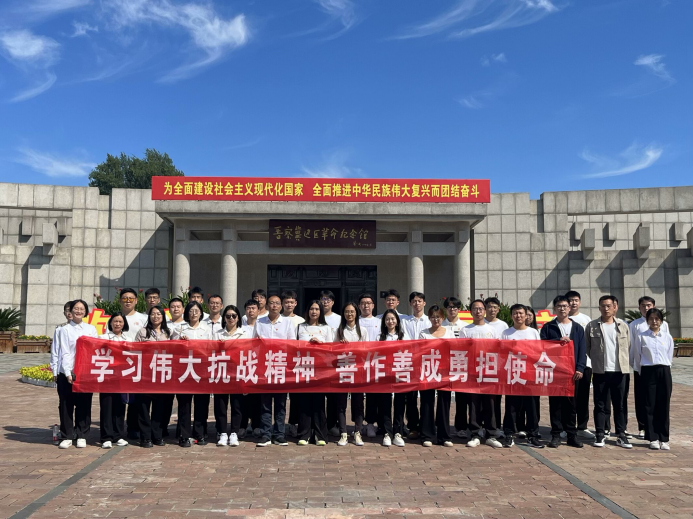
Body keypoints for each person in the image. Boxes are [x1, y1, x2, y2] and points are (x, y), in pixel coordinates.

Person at [585, 295, 632, 449]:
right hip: (600, 371)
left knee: (620, 405)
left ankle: (621, 434)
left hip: (620, 371)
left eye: (609, 306)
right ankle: (600, 433)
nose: (606, 309)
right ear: (599, 307)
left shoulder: (623, 326)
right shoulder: (592, 326)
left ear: (615, 307)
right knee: (600, 404)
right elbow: (587, 348)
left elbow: (628, 346)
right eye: (603, 306)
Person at [539, 296, 586, 449]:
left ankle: (572, 434)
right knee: (556, 404)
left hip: (572, 372)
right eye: (559, 306)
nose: (562, 308)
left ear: (569, 308)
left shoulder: (577, 328)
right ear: (554, 308)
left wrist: (580, 368)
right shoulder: (548, 327)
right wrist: (557, 342)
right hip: (555, 372)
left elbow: (582, 350)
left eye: (565, 306)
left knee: (571, 405)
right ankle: (556, 435)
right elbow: (542, 347)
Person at [253, 294, 297, 447]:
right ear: (267, 305)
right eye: (271, 303)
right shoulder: (259, 322)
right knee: (265, 404)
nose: (274, 306)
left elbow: (292, 344)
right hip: (264, 368)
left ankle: (279, 435)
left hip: (281, 367)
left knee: (280, 404)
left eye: (277, 303)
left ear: (281, 306)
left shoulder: (287, 323)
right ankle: (265, 435)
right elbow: (254, 344)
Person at [55, 299, 98, 449]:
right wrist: (68, 372)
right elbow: (65, 352)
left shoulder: (91, 329)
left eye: (82, 309)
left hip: (85, 373)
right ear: (71, 311)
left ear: (85, 312)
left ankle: (82, 435)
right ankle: (66, 435)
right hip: (67, 372)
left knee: (84, 404)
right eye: (76, 308)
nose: (79, 311)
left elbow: (94, 350)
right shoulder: (64, 330)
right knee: (66, 404)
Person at [460, 299, 502, 448]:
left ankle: (491, 434)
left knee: (490, 403)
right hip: (473, 372)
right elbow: (462, 351)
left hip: (489, 371)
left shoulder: (493, 329)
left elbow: (498, 349)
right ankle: (475, 434)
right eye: (475, 309)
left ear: (484, 311)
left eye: (480, 309)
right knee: (474, 403)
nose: (478, 311)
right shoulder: (465, 330)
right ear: (470, 312)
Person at [500, 304, 543, 448]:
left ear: (526, 315)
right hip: (513, 375)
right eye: (515, 313)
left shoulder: (533, 332)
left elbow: (539, 352)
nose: (518, 316)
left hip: (529, 375)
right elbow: (501, 353)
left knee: (531, 407)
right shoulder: (506, 333)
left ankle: (532, 436)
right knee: (511, 407)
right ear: (511, 316)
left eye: (520, 313)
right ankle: (508, 434)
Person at [632, 308, 674, 451]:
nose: (654, 321)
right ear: (647, 320)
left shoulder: (667, 337)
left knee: (664, 405)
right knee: (649, 405)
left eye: (657, 319)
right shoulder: (641, 336)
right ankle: (653, 437)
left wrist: (664, 368)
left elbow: (669, 356)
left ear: (661, 321)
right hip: (648, 371)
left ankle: (664, 438)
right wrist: (642, 372)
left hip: (664, 371)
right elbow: (637, 356)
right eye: (651, 318)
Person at [172, 301, 212, 447]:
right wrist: (180, 341)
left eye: (197, 311)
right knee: (184, 404)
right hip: (185, 370)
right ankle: (184, 435)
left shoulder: (207, 329)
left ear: (201, 313)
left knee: (202, 403)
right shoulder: (179, 328)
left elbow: (211, 348)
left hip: (202, 370)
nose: (194, 313)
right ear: (186, 313)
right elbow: (172, 348)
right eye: (191, 311)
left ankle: (199, 433)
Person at [295, 301, 334, 446]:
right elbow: (294, 346)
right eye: (311, 308)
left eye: (317, 309)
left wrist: (320, 344)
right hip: (304, 368)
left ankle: (320, 435)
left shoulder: (326, 328)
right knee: (304, 402)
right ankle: (304, 434)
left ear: (321, 312)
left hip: (320, 369)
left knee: (319, 402)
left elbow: (331, 349)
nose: (314, 311)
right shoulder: (300, 327)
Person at [418, 305, 455, 448]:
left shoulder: (449, 332)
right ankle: (427, 435)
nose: (435, 319)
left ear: (443, 318)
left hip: (445, 372)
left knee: (444, 404)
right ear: (429, 318)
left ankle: (444, 436)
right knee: (427, 403)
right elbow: (420, 351)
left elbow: (454, 350)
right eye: (433, 317)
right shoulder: (423, 333)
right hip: (428, 371)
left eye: (438, 317)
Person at [134, 305, 171, 448]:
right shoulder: (143, 332)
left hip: (161, 375)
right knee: (143, 408)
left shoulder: (168, 332)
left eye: (158, 314)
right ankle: (145, 437)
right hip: (145, 375)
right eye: (153, 314)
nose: (156, 316)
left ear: (163, 316)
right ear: (149, 316)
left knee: (159, 408)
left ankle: (157, 436)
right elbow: (134, 351)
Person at [214, 304, 249, 447]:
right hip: (221, 373)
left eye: (234, 316)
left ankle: (234, 432)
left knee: (237, 405)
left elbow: (248, 353)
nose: (231, 318)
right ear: (224, 318)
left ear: (238, 318)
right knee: (220, 405)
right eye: (228, 316)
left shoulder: (244, 334)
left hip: (238, 374)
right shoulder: (217, 334)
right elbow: (209, 352)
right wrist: (218, 346)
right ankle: (222, 432)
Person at [334, 302, 367, 446]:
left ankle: (357, 432)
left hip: (358, 371)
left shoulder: (363, 330)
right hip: (343, 370)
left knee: (358, 403)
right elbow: (333, 351)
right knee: (341, 403)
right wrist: (340, 346)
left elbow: (366, 350)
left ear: (356, 313)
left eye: (352, 311)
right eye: (347, 312)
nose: (349, 314)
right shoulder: (339, 330)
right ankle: (343, 433)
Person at [377, 309, 410, 447]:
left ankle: (398, 432)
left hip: (400, 374)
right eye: (387, 319)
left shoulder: (404, 336)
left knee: (399, 403)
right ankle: (387, 432)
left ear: (397, 321)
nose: (390, 321)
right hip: (385, 375)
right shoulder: (379, 337)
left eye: (392, 319)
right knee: (385, 404)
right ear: (384, 322)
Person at [98, 313, 131, 449]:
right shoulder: (103, 338)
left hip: (122, 377)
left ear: (124, 324)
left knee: (120, 406)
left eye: (120, 321)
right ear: (110, 323)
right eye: (115, 321)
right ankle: (106, 437)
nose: (117, 324)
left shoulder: (128, 339)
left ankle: (118, 435)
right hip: (107, 376)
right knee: (106, 406)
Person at [401, 291, 430, 440]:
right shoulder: (405, 321)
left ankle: (426, 426)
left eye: (419, 301)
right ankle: (413, 426)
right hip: (409, 362)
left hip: (426, 362)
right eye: (414, 301)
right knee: (410, 397)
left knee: (426, 396)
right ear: (410, 303)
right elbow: (403, 339)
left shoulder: (429, 321)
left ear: (424, 303)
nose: (417, 303)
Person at [566, 290, 594, 440]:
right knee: (568, 398)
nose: (573, 303)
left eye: (576, 300)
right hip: (566, 366)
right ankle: (566, 426)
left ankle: (582, 426)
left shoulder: (586, 319)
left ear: (580, 302)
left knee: (583, 397)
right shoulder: (560, 320)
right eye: (570, 300)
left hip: (585, 365)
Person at [443, 297, 468, 440]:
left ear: (459, 309)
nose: (452, 310)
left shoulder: (465, 326)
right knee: (443, 398)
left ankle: (461, 427)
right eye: (449, 307)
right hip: (443, 366)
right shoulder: (440, 325)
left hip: (460, 365)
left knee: (461, 398)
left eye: (455, 307)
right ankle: (442, 425)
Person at [358, 292, 382, 438]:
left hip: (374, 362)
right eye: (363, 303)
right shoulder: (355, 321)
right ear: (359, 306)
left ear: (373, 305)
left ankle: (371, 423)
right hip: (358, 363)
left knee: (373, 395)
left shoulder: (379, 322)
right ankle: (358, 424)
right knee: (358, 396)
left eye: (368, 303)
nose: (366, 305)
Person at [484, 296, 508, 433]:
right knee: (481, 398)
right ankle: (481, 426)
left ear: (498, 309)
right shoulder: (480, 323)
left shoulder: (503, 325)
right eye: (489, 307)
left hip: (497, 366)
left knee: (496, 398)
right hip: (481, 365)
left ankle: (496, 425)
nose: (492, 310)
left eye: (494, 307)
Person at [51, 301, 73, 441]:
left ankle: (79, 431)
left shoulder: (85, 329)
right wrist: (54, 370)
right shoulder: (60, 329)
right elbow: (55, 350)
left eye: (72, 310)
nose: (70, 313)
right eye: (67, 310)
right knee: (64, 403)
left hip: (78, 370)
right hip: (62, 371)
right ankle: (66, 432)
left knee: (81, 403)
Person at [240, 299, 261, 437]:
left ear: (258, 310)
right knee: (243, 398)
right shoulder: (240, 328)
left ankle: (256, 425)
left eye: (253, 308)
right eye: (248, 308)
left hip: (259, 366)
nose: (251, 310)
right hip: (243, 366)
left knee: (257, 398)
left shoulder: (262, 326)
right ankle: (242, 425)